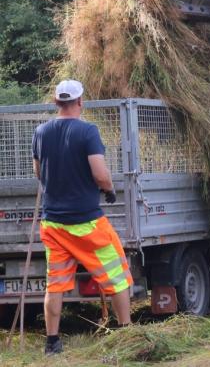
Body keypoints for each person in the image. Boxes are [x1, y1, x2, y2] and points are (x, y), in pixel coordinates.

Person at [32, 80, 132, 355]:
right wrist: (109, 190)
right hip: (87, 224)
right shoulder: (88, 131)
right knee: (117, 276)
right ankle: (126, 334)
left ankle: (52, 343)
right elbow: (100, 173)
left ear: (55, 102)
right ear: (80, 102)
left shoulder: (40, 132)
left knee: (55, 284)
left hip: (53, 225)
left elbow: (39, 172)